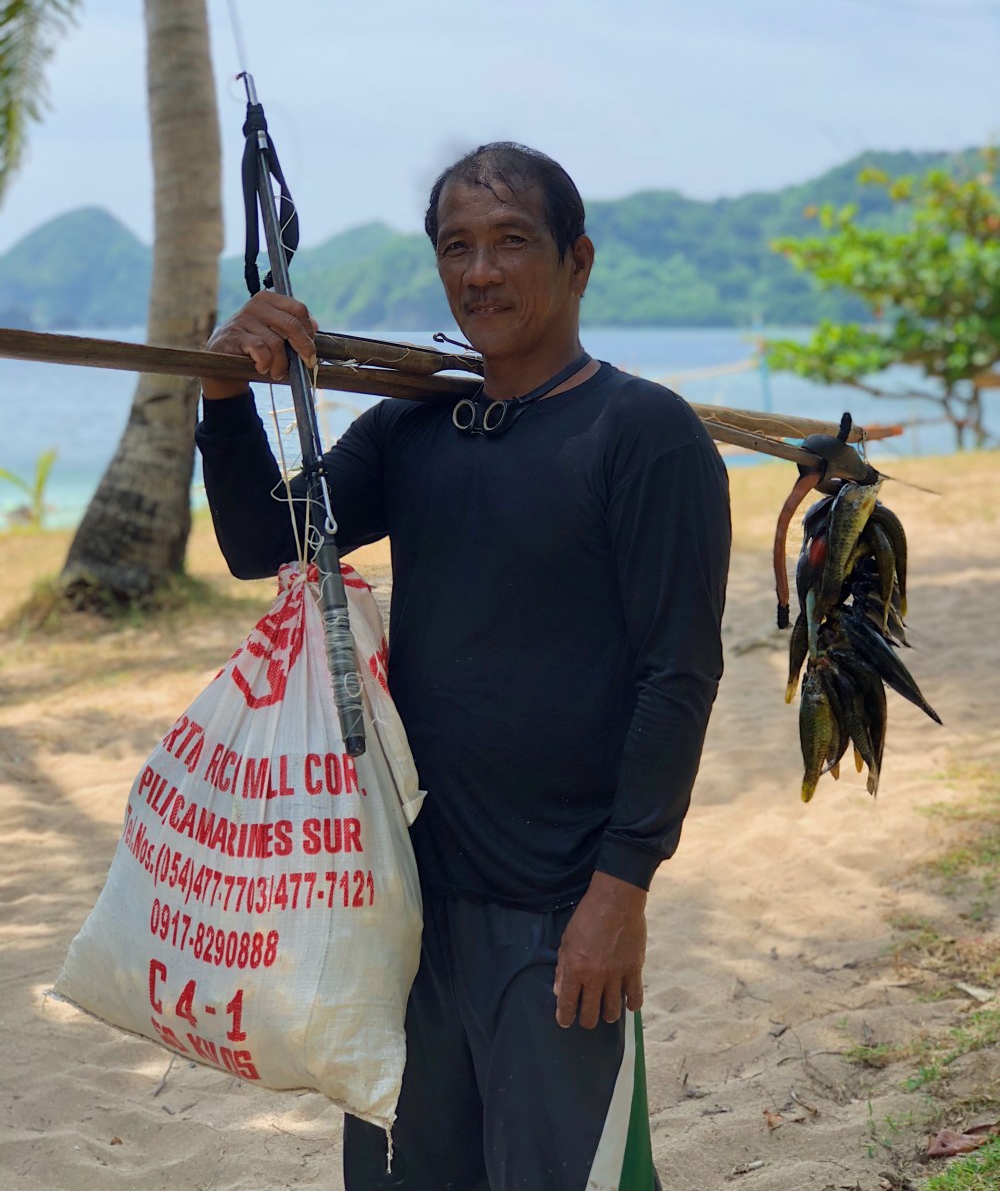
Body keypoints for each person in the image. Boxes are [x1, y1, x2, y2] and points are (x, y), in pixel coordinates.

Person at [196, 142, 731, 1190]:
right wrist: (223, 393)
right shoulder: (415, 424)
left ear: (577, 261)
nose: (480, 271)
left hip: (559, 911)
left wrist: (619, 892)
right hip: (406, 906)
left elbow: (678, 676)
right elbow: (266, 540)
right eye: (457, 247)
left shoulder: (643, 433)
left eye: (511, 241)